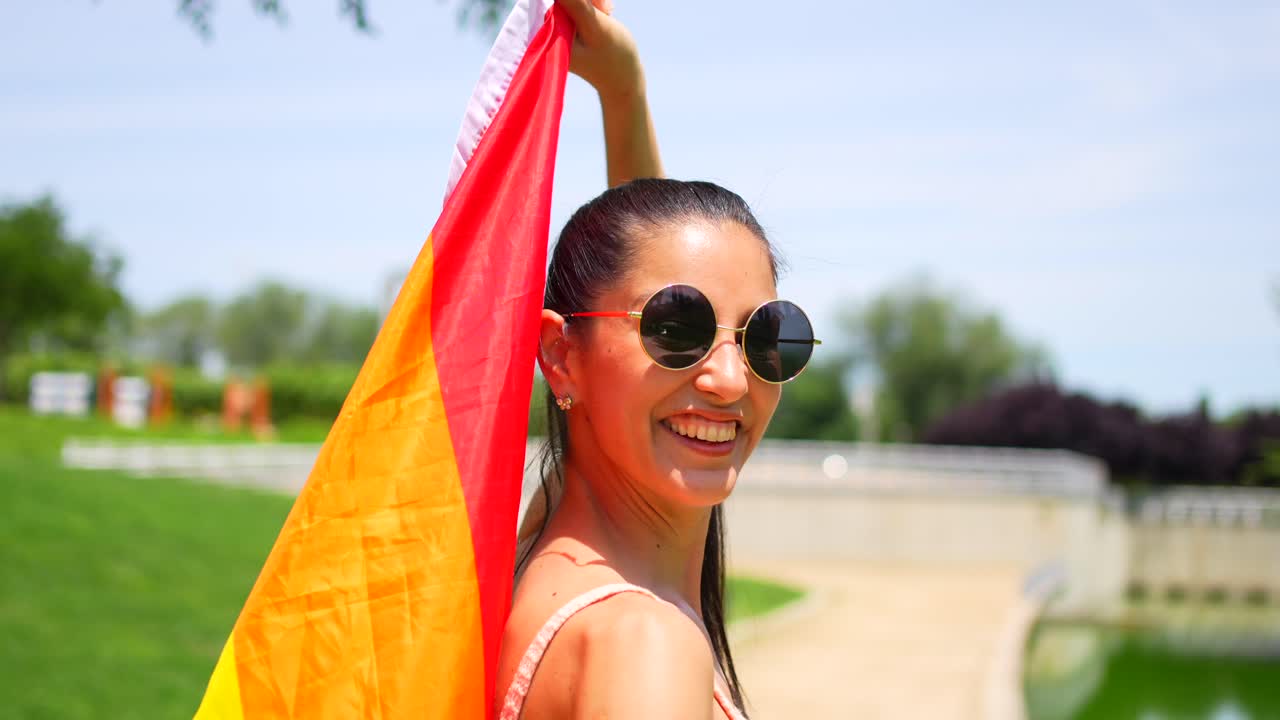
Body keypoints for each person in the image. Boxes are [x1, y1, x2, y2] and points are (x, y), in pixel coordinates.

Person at [494, 2, 821, 718]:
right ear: (560, 357)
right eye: (678, 330)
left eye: (766, 336)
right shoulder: (644, 646)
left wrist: (623, 92)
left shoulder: (545, 547)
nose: (731, 378)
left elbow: (631, 280)